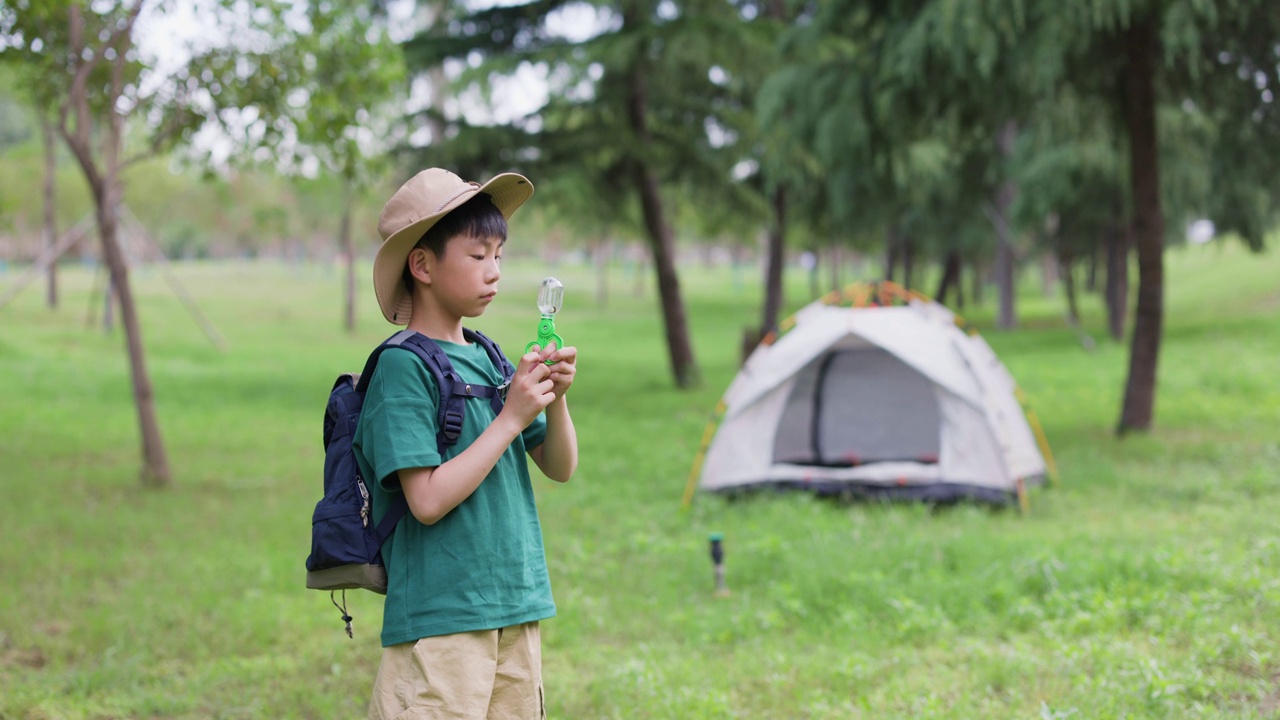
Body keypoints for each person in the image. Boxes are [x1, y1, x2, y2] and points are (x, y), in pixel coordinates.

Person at [354, 168, 578, 719]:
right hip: (441, 618)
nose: (494, 272)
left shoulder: (490, 357)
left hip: (515, 604)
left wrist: (555, 396)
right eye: (477, 256)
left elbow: (559, 465)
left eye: (499, 255)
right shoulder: (403, 367)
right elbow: (425, 501)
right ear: (423, 264)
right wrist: (510, 417)